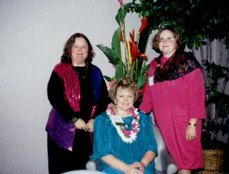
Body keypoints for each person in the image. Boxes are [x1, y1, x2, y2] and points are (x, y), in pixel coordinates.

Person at [139, 27, 206, 174]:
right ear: (157, 43)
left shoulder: (188, 63)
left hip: (185, 122)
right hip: (164, 123)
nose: (165, 42)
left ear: (177, 41)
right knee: (171, 160)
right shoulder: (153, 66)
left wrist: (192, 124)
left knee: (185, 162)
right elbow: (148, 96)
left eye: (170, 38)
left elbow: (197, 96)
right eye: (162, 39)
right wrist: (138, 117)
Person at [45, 33, 109, 174]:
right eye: (76, 47)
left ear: (89, 51)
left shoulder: (95, 71)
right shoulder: (60, 69)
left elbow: (104, 100)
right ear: (69, 50)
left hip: (86, 131)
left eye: (84, 47)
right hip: (61, 132)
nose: (80, 51)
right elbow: (54, 97)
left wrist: (95, 119)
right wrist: (74, 119)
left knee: (83, 169)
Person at [91, 78, 157, 174]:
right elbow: (102, 153)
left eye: (129, 96)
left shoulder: (144, 119)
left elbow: (152, 147)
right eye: (121, 96)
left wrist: (142, 164)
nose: (126, 100)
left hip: (143, 168)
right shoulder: (102, 121)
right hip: (114, 168)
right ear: (114, 98)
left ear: (134, 98)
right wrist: (126, 169)